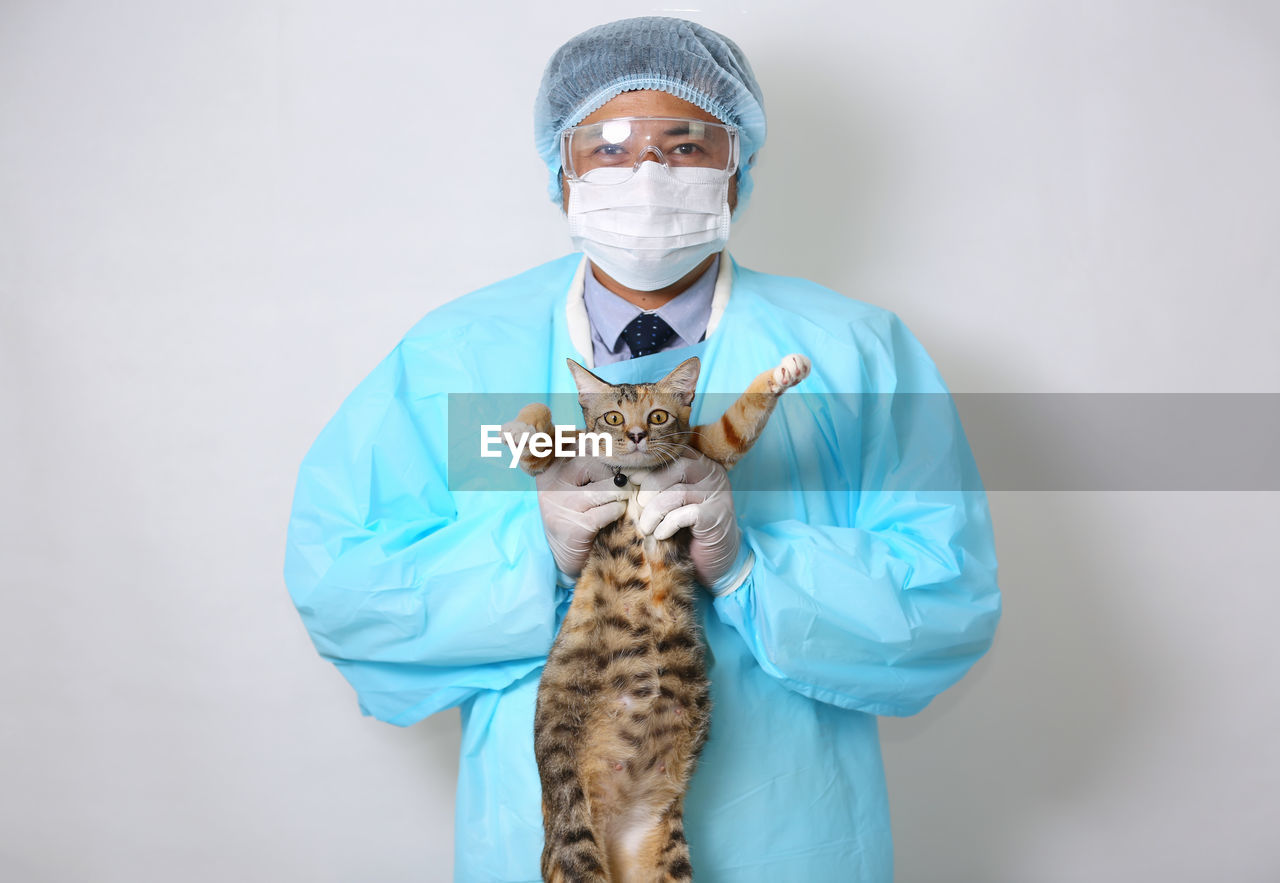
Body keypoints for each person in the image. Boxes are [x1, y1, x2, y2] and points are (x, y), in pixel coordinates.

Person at [284, 16, 1001, 882]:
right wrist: (532, 557)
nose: (649, 172)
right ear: (562, 174)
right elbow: (341, 581)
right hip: (548, 844)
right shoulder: (456, 357)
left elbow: (948, 600)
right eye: (610, 146)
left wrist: (749, 566)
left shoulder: (855, 356)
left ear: (737, 172)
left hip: (794, 844)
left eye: (687, 143)